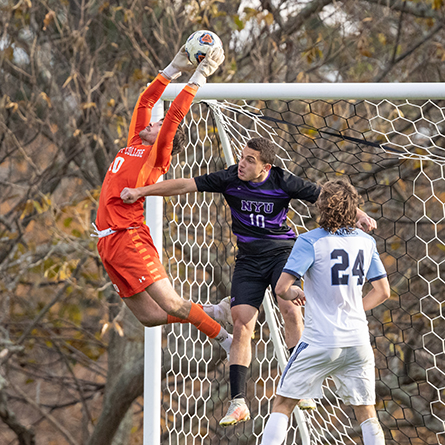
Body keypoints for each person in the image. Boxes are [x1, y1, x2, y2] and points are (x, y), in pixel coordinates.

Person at [119, 137, 377, 426]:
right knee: (241, 322)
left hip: (282, 254)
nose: (241, 163)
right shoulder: (230, 177)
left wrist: (359, 214)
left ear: (265, 166)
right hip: (249, 260)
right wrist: (142, 191)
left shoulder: (283, 181)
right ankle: (238, 402)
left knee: (290, 308)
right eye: (242, 157)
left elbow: (326, 197)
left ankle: (302, 383)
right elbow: (184, 185)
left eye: (250, 160)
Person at [93, 44, 233, 359]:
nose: (151, 123)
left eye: (155, 125)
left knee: (170, 303)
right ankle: (214, 311)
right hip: (107, 243)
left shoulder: (156, 155)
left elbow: (174, 116)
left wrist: (199, 76)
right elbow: (147, 99)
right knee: (149, 316)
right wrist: (173, 67)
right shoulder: (134, 141)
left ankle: (223, 337)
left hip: (128, 237)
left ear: (162, 136)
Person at [260, 179, 390, 445]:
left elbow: (282, 287)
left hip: (320, 340)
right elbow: (383, 291)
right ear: (354, 209)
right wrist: (355, 307)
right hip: (357, 341)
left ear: (321, 206)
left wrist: (293, 293)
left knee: (283, 403)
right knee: (366, 412)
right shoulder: (366, 242)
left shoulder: (310, 241)